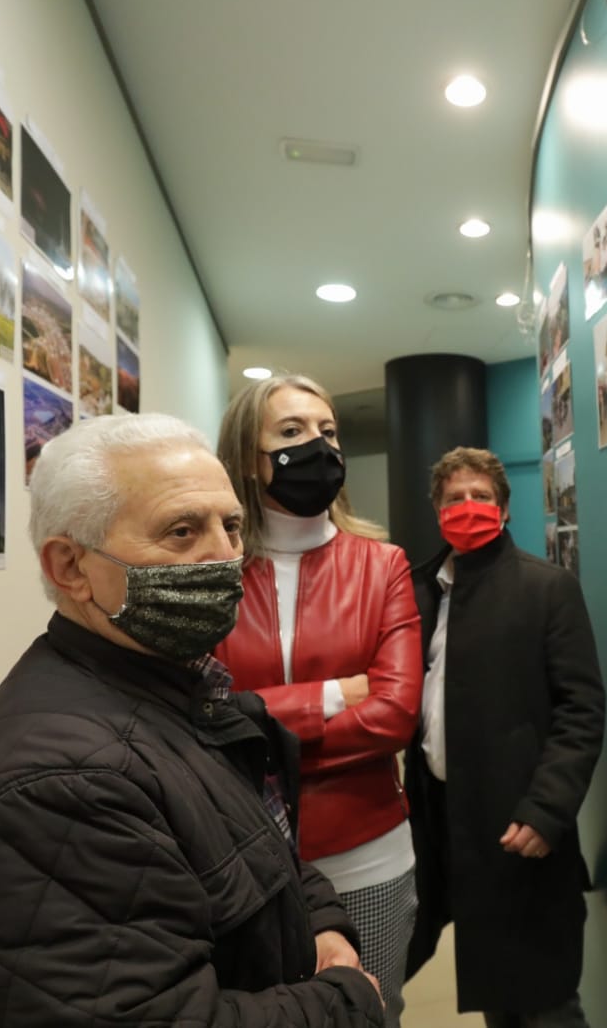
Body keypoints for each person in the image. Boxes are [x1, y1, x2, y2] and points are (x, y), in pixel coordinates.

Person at [0, 414, 383, 1026]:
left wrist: (321, 923)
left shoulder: (178, 691)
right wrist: (345, 1000)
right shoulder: (60, 789)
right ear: (70, 567)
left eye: (231, 526)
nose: (225, 556)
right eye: (181, 531)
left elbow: (253, 848)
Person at [213, 375, 424, 1028]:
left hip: (365, 852)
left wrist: (258, 723)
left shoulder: (381, 565)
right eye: (291, 432)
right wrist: (335, 694)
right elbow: (201, 715)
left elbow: (393, 717)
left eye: (328, 431)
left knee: (369, 1014)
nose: (318, 445)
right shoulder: (212, 570)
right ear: (249, 456)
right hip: (239, 855)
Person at [405, 448, 606, 1028]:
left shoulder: (548, 589)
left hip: (523, 830)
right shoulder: (422, 591)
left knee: (546, 1002)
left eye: (481, 497)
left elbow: (582, 708)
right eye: (453, 500)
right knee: (496, 994)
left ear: (506, 508)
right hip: (450, 828)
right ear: (437, 512)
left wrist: (547, 811)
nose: (468, 509)